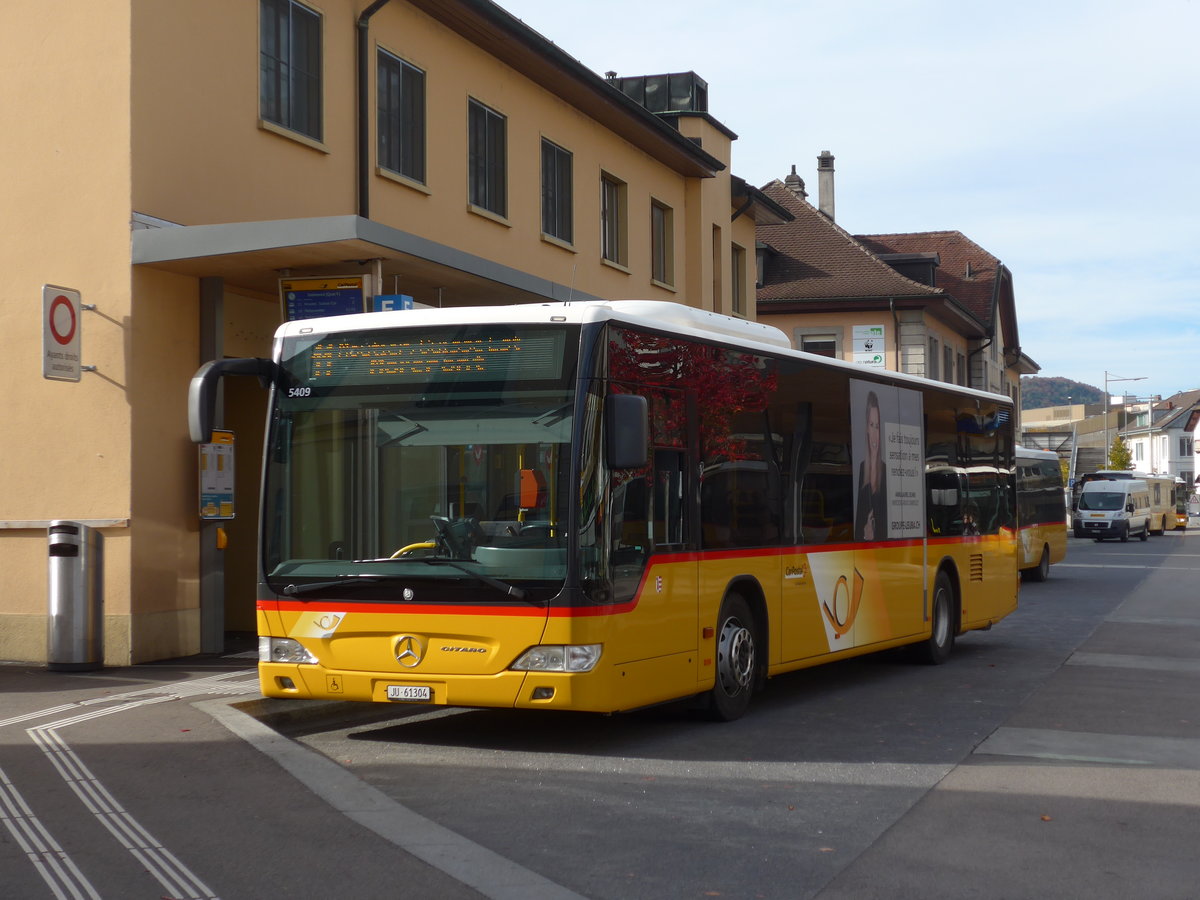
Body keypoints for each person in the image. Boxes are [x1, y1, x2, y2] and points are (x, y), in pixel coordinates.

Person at [855, 391, 888, 541]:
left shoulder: (886, 471)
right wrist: (865, 534)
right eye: (871, 425)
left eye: (877, 426)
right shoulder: (860, 470)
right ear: (866, 428)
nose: (875, 433)